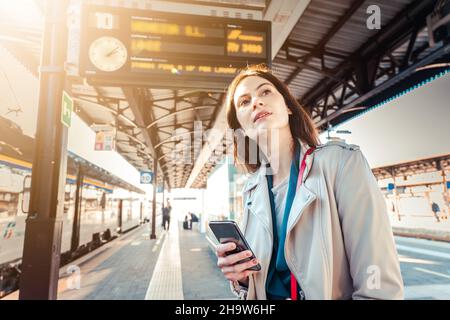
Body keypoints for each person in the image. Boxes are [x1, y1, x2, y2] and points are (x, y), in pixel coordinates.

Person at [215, 64, 404, 300]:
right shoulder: (252, 190)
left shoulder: (341, 163)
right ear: (240, 128)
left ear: (288, 107)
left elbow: (379, 286)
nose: (256, 102)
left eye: (265, 92)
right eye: (244, 102)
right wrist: (243, 279)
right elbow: (259, 280)